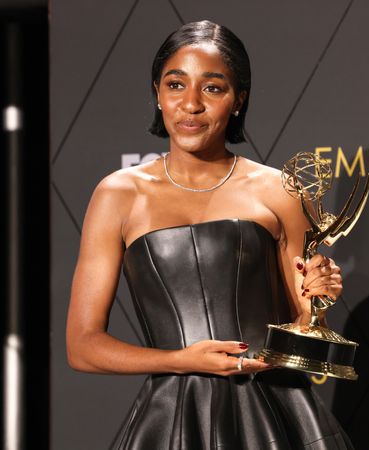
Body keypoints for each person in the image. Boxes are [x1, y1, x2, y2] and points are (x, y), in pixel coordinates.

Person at [66, 19, 353, 449]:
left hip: (275, 418)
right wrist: (180, 360)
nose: (191, 105)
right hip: (172, 423)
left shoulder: (280, 191)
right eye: (176, 85)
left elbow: (304, 333)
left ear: (239, 100)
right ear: (157, 94)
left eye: (213, 88)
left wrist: (318, 306)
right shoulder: (117, 195)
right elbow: (83, 346)